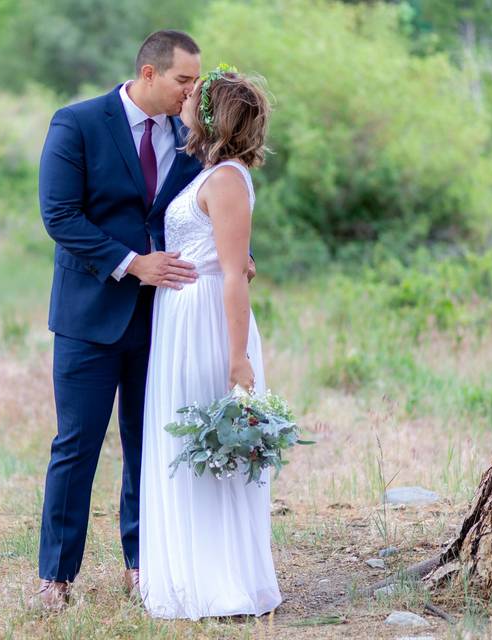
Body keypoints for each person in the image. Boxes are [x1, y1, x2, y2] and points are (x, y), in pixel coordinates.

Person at [33, 30, 205, 611]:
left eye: (196, 82)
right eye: (184, 81)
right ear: (150, 75)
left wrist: (234, 253)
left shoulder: (190, 138)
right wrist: (133, 264)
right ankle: (55, 577)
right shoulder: (77, 123)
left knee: (147, 445)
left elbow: (199, 210)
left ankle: (143, 565)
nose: (192, 92)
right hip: (89, 318)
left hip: (162, 320)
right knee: (76, 445)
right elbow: (59, 215)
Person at [138, 67, 281, 619]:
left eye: (198, 98)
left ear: (216, 115)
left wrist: (238, 358)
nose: (187, 102)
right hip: (179, 318)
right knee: (182, 446)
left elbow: (231, 274)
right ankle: (183, 573)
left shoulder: (225, 180)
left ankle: (219, 582)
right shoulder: (211, 172)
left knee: (206, 447)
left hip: (205, 325)